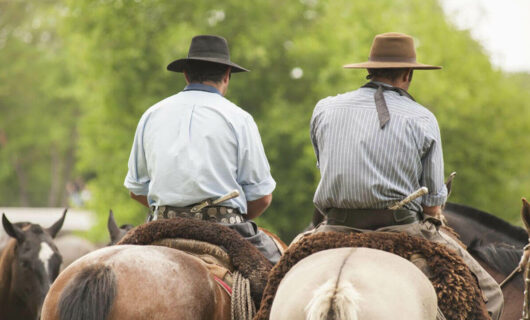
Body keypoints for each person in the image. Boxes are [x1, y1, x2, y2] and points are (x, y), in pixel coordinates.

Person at [309, 32, 503, 319]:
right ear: (408, 74)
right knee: (491, 296)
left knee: (271, 283)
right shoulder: (421, 117)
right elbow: (433, 203)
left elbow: (323, 164)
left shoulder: (325, 109)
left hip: (334, 226)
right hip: (402, 228)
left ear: (368, 70)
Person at [124, 35, 281, 264]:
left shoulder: (151, 114)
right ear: (226, 76)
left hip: (162, 226)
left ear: (186, 74)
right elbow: (262, 197)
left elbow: (136, 190)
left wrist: (178, 211)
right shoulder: (239, 118)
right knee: (278, 277)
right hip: (224, 228)